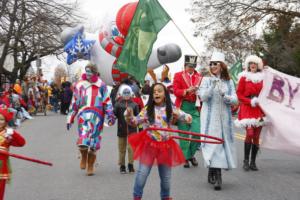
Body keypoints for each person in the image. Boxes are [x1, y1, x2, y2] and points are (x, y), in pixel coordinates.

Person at [125, 83, 192, 200]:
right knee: (142, 174)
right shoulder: (147, 109)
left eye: (159, 91)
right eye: (154, 91)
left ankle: (165, 197)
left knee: (166, 178)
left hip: (166, 146)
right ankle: (136, 197)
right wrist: (129, 116)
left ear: (165, 95)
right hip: (149, 144)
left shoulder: (171, 109)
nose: (156, 93)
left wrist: (187, 117)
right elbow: (135, 122)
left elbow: (184, 116)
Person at [197, 52, 238, 190]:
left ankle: (213, 170)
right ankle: (218, 177)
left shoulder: (229, 81)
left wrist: (224, 95)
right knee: (213, 144)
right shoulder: (206, 80)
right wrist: (212, 87)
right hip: (209, 119)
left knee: (221, 145)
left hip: (224, 119)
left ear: (222, 66)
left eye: (215, 64)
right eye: (211, 64)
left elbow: (235, 100)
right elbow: (203, 97)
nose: (213, 66)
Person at [66, 62, 115, 176]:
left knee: (93, 142)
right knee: (83, 138)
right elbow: (75, 102)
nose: (87, 73)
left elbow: (107, 101)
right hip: (83, 114)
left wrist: (110, 115)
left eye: (90, 71)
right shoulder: (80, 85)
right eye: (86, 71)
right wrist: (70, 117)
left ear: (94, 72)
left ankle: (91, 164)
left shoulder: (101, 85)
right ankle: (83, 156)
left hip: (98, 116)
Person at [235, 55, 265, 171]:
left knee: (256, 136)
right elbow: (239, 94)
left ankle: (253, 162)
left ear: (258, 65)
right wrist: (249, 101)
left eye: (255, 63)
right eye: (251, 63)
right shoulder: (243, 77)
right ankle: (245, 160)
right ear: (248, 65)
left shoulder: (263, 78)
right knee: (250, 133)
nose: (253, 65)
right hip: (247, 107)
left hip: (259, 108)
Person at [173, 55, 203, 168]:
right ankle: (185, 158)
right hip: (183, 107)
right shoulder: (178, 75)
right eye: (189, 66)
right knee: (184, 134)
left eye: (193, 66)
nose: (191, 68)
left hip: (195, 108)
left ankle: (190, 155)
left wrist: (199, 92)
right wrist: (186, 91)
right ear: (185, 66)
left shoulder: (200, 77)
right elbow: (175, 91)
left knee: (197, 133)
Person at [0, 108, 26, 199]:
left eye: (2, 119)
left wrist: (13, 133)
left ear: (5, 121)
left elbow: (21, 143)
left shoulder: (7, 134)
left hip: (1, 167)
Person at [113, 85, 139, 174]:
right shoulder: (118, 104)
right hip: (121, 129)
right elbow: (114, 115)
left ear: (131, 93)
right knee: (121, 148)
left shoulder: (135, 105)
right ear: (121, 93)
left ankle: (131, 165)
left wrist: (140, 128)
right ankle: (122, 165)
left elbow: (138, 117)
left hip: (132, 130)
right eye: (125, 92)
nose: (127, 94)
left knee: (131, 148)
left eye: (128, 93)